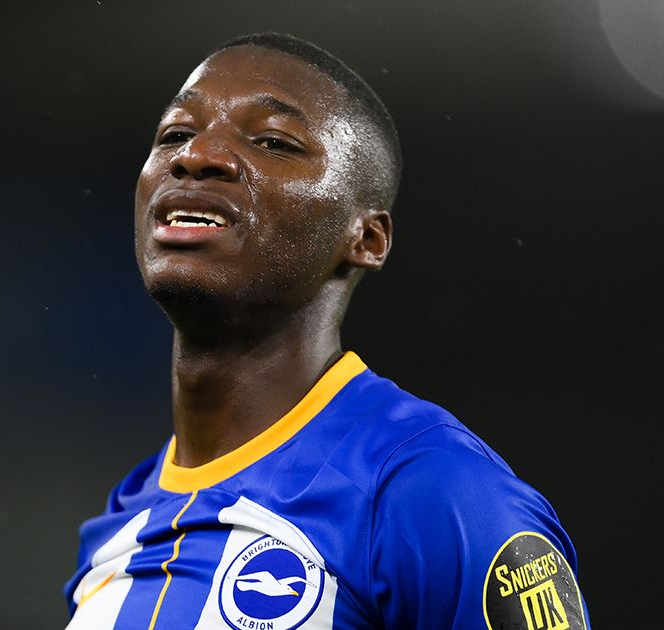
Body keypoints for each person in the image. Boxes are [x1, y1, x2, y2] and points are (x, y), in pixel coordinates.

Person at [64, 32, 589, 630]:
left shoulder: (431, 492)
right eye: (175, 134)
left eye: (272, 142)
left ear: (365, 238)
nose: (196, 155)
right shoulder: (117, 529)